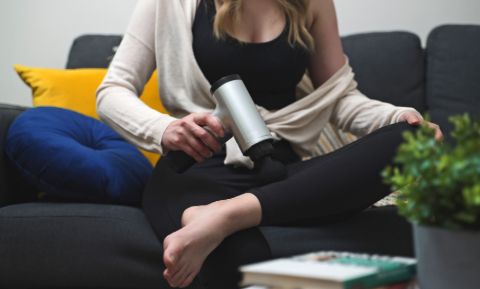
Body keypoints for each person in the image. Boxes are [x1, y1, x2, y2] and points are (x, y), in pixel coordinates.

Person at [97, 0, 443, 288]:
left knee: (410, 139)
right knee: (243, 264)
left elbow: (339, 99)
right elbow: (112, 91)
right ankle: (219, 217)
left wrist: (395, 117)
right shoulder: (171, 3)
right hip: (198, 166)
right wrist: (165, 129)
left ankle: (227, 214)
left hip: (281, 169)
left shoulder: (311, 3)